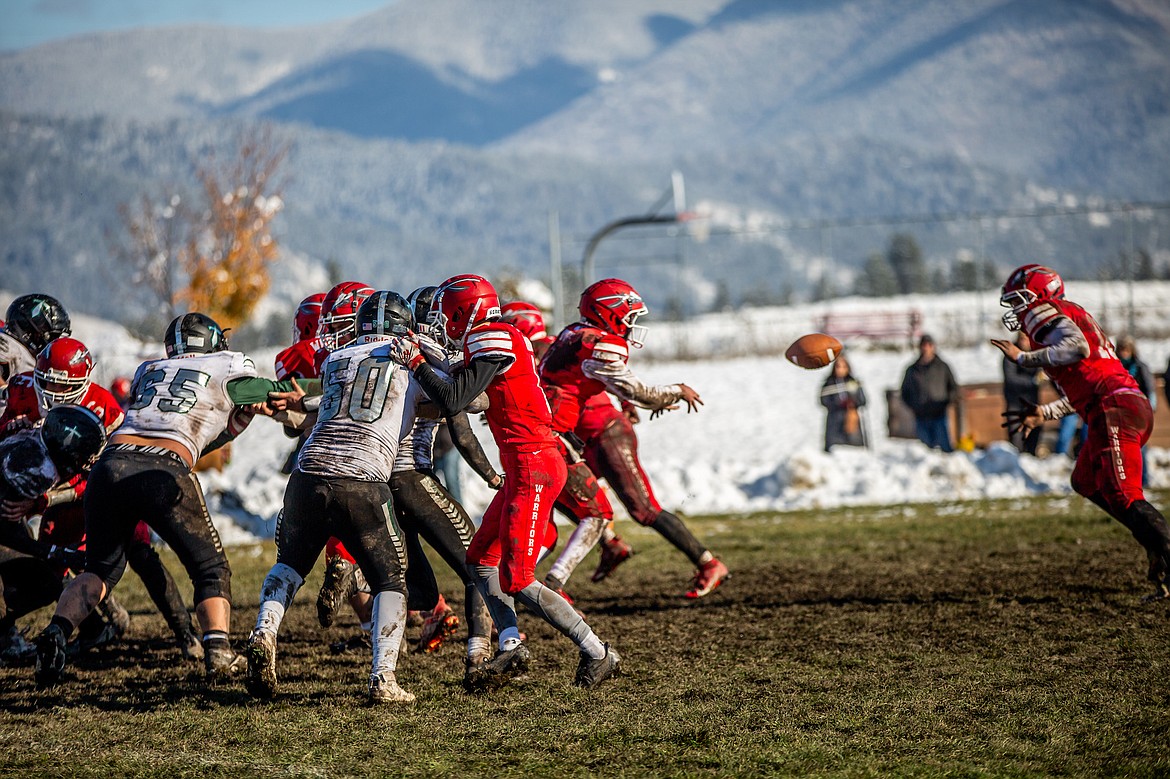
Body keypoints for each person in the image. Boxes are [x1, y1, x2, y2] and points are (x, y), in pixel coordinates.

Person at [32, 313, 313, 688]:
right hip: (162, 469)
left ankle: (56, 632)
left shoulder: (151, 370)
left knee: (99, 570)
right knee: (211, 568)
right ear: (212, 344)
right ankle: (218, 649)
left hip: (110, 465)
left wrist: (231, 425)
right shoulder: (227, 365)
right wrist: (302, 391)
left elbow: (192, 423)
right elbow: (278, 391)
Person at [389, 273, 621, 692]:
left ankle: (597, 650)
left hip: (534, 464)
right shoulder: (497, 336)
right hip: (524, 465)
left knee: (517, 577)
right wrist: (425, 356)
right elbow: (462, 388)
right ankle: (511, 643)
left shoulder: (492, 337)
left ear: (465, 311)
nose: (444, 319)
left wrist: (417, 364)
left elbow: (454, 398)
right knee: (479, 559)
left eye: (448, 312)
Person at [245, 291, 436, 704]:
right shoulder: (411, 361)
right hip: (362, 478)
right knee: (390, 578)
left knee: (290, 565)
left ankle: (264, 630)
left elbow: (326, 402)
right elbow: (457, 401)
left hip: (307, 473)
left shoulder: (336, 359)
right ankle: (383, 677)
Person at [1, 336, 201, 659]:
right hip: (53, 490)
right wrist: (12, 426)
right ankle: (94, 628)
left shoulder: (105, 408)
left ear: (85, 381)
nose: (55, 395)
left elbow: (104, 475)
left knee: (140, 554)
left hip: (92, 489)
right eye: (48, 384)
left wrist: (45, 501)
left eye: (65, 388)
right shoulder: (21, 390)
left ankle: (186, 634)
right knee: (56, 566)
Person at [539, 279, 729, 598]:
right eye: (630, 316)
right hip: (574, 437)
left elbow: (626, 388)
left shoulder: (572, 336)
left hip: (604, 434)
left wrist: (656, 397)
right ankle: (595, 555)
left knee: (642, 510)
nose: (632, 325)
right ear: (611, 313)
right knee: (566, 500)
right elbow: (614, 383)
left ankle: (708, 562)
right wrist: (669, 394)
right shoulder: (584, 340)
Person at [992, 264, 1170, 601]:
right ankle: (1156, 545)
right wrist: (1045, 412)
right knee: (1084, 481)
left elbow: (1078, 348)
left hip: (1112, 408)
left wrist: (1024, 358)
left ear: (1040, 296)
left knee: (1124, 495)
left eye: (1020, 300)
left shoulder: (1045, 314)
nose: (1017, 310)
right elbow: (1085, 382)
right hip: (1123, 404)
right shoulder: (1071, 314)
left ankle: (1162, 550)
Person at [0, 406, 106, 665]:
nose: (88, 462)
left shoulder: (34, 443)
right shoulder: (36, 468)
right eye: (85, 456)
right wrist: (52, 552)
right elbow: (5, 533)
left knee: (45, 583)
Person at [0, 294, 72, 416]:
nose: (54, 342)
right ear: (30, 332)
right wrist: (4, 390)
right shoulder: (10, 346)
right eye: (51, 336)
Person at [900, 334, 962, 453]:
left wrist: (947, 402)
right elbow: (904, 392)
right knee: (925, 452)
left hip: (940, 414)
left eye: (929, 345)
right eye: (923, 345)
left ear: (933, 347)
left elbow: (953, 387)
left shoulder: (942, 366)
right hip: (921, 416)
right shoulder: (912, 370)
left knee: (945, 448)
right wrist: (914, 406)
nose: (926, 348)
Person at [1116, 335, 1155, 486]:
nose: (1124, 353)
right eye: (1121, 349)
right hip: (1119, 413)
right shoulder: (1115, 366)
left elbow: (1150, 390)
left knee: (1139, 447)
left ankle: (1144, 479)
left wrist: (1148, 410)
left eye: (1127, 349)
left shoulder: (1140, 367)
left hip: (1138, 412)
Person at [1001, 332, 1042, 455]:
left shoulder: (1035, 353)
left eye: (1027, 339)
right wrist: (1032, 381)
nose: (1025, 342)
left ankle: (1031, 457)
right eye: (1022, 339)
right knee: (1016, 435)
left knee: (1034, 432)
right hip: (1015, 402)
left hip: (1032, 401)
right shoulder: (1011, 354)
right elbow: (1011, 378)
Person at [819, 354, 867, 451]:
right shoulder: (829, 383)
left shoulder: (853, 382)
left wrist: (852, 402)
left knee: (854, 449)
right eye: (838, 366)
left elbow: (863, 400)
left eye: (843, 366)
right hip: (835, 422)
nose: (840, 369)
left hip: (851, 422)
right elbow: (824, 400)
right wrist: (838, 403)